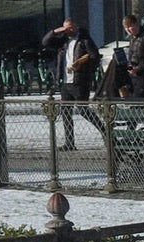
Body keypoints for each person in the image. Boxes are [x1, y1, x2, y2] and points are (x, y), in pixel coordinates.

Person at [42, 18, 101, 150]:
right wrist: (57, 31)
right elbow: (45, 42)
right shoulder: (63, 40)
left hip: (79, 81)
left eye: (70, 28)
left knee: (83, 110)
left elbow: (94, 57)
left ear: (75, 27)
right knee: (66, 111)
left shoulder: (84, 40)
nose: (68, 31)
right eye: (66, 28)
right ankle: (69, 142)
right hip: (65, 81)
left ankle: (104, 131)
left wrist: (81, 66)